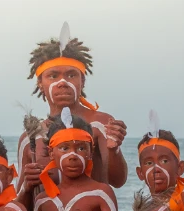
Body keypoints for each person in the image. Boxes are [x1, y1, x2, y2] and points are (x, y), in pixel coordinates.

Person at [17, 26, 129, 194]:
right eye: (53, 76)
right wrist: (27, 184)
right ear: (40, 83)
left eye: (71, 75)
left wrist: (115, 150)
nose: (62, 82)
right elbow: (25, 209)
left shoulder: (100, 124)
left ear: (82, 81)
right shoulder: (30, 138)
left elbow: (118, 181)